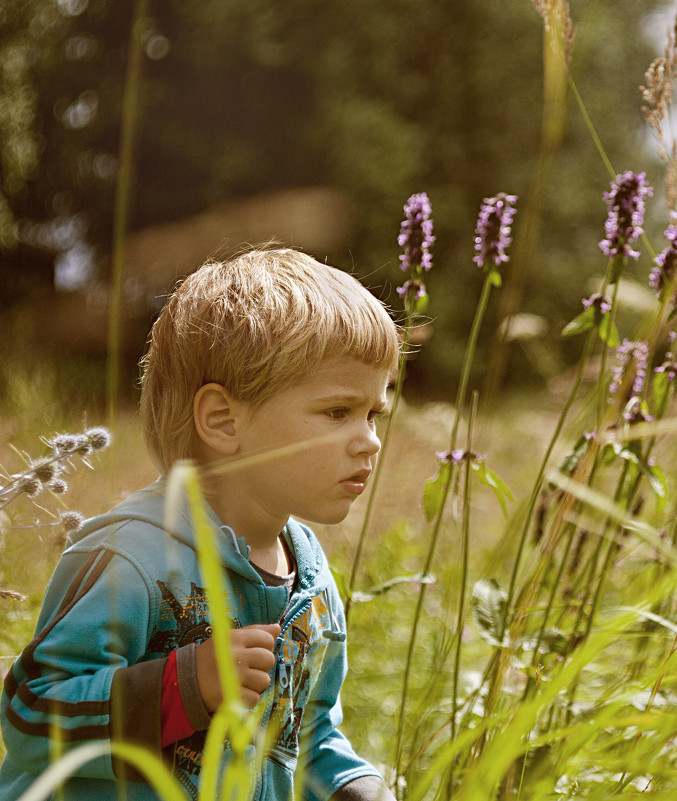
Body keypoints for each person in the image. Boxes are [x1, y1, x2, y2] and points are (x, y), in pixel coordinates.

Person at [0, 248, 399, 801]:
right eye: (338, 412)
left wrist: (352, 786)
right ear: (223, 421)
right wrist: (182, 685)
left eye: (374, 413)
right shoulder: (132, 556)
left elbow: (303, 735)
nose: (370, 440)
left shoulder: (312, 582)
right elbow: (31, 716)